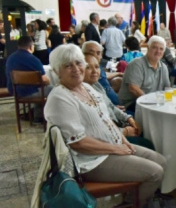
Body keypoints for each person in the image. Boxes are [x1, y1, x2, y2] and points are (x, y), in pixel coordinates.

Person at [45, 44, 166, 207]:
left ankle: (131, 199)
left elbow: (107, 120)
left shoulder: (87, 87)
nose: (76, 69)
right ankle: (133, 204)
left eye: (78, 63)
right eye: (67, 65)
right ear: (57, 71)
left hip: (111, 147)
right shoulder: (61, 98)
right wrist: (116, 149)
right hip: (91, 161)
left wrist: (124, 141)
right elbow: (78, 143)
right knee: (155, 172)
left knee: (161, 161)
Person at [83, 53, 154, 150]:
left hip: (118, 125)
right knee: (147, 143)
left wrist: (129, 119)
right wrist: (124, 131)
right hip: (109, 139)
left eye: (97, 67)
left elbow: (111, 107)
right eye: (88, 68)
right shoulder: (83, 94)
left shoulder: (97, 85)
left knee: (144, 129)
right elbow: (98, 129)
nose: (95, 71)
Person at [6, 36, 52, 123]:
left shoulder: (10, 58)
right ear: (31, 47)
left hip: (14, 90)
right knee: (52, 89)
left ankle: (37, 115)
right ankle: (45, 116)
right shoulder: (34, 60)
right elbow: (45, 79)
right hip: (29, 92)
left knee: (40, 89)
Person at [119, 36, 171, 112]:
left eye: (161, 49)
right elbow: (133, 89)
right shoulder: (136, 64)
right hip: (132, 103)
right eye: (155, 47)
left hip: (153, 103)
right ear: (148, 48)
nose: (158, 51)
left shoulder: (164, 67)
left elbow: (167, 88)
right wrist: (150, 102)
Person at [82, 41, 122, 105]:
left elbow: (104, 75)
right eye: (91, 52)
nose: (95, 55)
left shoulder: (99, 67)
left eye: (98, 53)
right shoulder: (84, 71)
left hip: (114, 104)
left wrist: (118, 73)